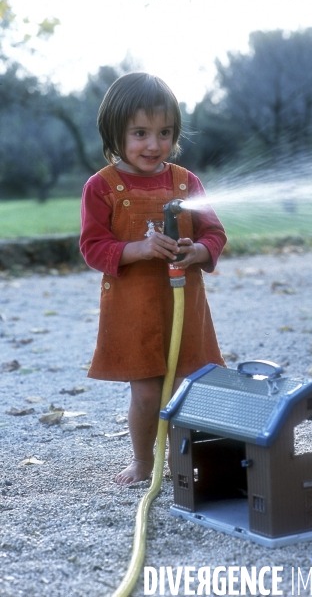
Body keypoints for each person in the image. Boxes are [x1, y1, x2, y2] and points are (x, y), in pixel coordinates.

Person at [80, 73, 226, 485]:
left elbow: (215, 234)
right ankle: (144, 461)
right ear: (115, 133)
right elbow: (93, 247)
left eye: (164, 133)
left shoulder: (186, 182)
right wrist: (138, 249)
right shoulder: (102, 187)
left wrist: (197, 250)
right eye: (140, 133)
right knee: (146, 393)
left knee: (186, 390)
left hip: (185, 306)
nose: (153, 144)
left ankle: (188, 462)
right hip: (135, 310)